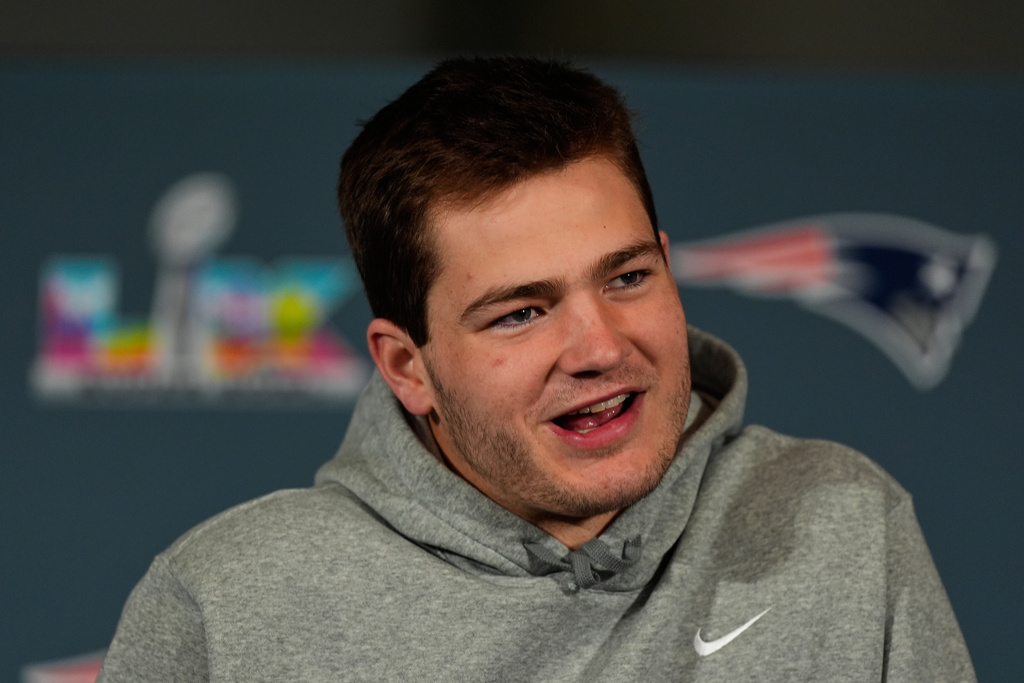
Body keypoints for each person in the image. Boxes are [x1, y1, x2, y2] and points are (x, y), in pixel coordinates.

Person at [97, 57, 974, 681]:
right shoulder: (225, 604)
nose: (599, 347)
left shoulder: (842, 526)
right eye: (521, 311)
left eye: (627, 276)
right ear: (408, 365)